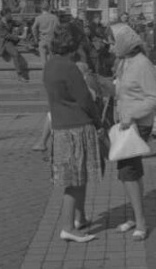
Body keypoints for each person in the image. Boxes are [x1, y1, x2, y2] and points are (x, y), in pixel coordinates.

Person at [43, 24, 102, 243]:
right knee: (75, 181)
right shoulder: (69, 67)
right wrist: (99, 123)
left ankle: (80, 218)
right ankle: (68, 226)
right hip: (76, 128)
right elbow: (85, 98)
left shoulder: (50, 65)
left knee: (77, 177)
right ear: (75, 44)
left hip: (61, 128)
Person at [113, 25, 156, 240]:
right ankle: (135, 215)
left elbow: (154, 97)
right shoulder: (124, 62)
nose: (111, 45)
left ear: (124, 43)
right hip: (126, 123)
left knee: (128, 172)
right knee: (131, 172)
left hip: (138, 123)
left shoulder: (142, 64)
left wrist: (132, 114)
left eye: (114, 41)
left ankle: (140, 222)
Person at [0, 8, 27, 82]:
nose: (11, 15)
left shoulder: (10, 21)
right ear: (5, 15)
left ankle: (22, 40)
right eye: (10, 14)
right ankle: (19, 75)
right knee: (15, 53)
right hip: (4, 42)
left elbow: (22, 23)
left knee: (20, 32)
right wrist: (19, 36)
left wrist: (25, 29)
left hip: (11, 39)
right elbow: (6, 35)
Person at [32, 0, 59, 68]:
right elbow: (58, 28)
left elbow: (33, 28)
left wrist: (36, 38)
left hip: (42, 40)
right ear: (49, 8)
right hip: (52, 40)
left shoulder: (38, 18)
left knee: (43, 61)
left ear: (41, 8)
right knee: (52, 60)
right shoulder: (54, 17)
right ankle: (53, 75)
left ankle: (45, 75)